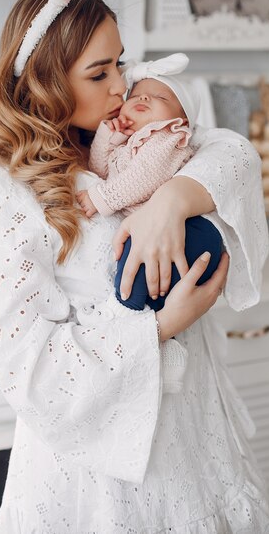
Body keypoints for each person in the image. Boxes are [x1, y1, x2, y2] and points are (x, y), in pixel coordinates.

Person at [0, 0, 269, 533]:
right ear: (48, 82)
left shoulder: (124, 146)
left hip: (195, 450)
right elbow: (37, 378)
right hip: (96, 482)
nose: (121, 87)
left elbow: (233, 152)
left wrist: (173, 202)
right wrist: (160, 326)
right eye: (99, 73)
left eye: (122, 63)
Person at [75, 53, 224, 394]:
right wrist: (108, 138)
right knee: (137, 266)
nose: (143, 98)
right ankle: (157, 339)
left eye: (160, 98)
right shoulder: (131, 143)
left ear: (179, 121)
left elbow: (145, 177)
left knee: (135, 265)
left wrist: (102, 199)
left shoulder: (169, 140)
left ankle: (136, 326)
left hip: (193, 234)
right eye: (138, 95)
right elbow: (101, 171)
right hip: (158, 229)